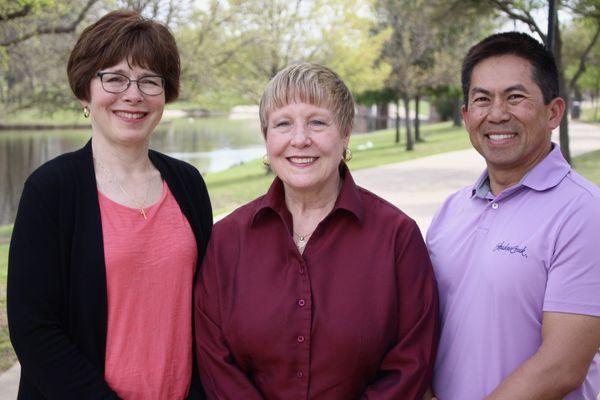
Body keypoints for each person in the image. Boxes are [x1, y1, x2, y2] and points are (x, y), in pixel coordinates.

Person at [194, 63, 439, 399]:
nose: (300, 139)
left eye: (317, 122)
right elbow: (215, 360)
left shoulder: (397, 238)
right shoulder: (226, 240)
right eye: (282, 124)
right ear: (267, 137)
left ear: (346, 132)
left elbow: (412, 362)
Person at [7, 10, 212, 399]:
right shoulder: (50, 190)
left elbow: (206, 310)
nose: (133, 95)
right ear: (86, 89)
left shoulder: (188, 184)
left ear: (164, 95)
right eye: (114, 78)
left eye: (149, 81)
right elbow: (33, 328)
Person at [426, 32, 600, 399]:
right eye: (482, 100)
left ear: (553, 112)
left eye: (515, 97)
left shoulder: (585, 213)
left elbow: (561, 366)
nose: (497, 113)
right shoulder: (451, 210)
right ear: (466, 115)